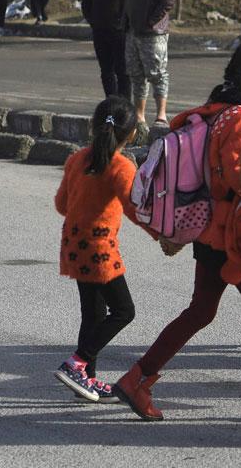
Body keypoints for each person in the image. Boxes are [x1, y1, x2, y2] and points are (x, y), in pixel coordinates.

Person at [114, 39, 241, 422]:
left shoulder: (214, 109)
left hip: (210, 233)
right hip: (233, 235)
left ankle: (138, 378)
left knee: (202, 310)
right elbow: (240, 177)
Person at [53, 95, 144, 403]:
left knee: (92, 314)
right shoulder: (121, 166)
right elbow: (135, 209)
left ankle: (85, 381)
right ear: (131, 134)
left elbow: (61, 205)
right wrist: (163, 235)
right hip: (100, 250)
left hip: (74, 245)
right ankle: (78, 362)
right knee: (123, 310)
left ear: (94, 125)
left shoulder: (77, 159)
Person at [123, 0, 176, 126]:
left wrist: (152, 21)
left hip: (153, 33)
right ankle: (139, 115)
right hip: (133, 31)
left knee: (157, 73)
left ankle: (161, 113)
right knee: (136, 75)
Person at [82, 0, 131, 99]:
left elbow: (130, 2)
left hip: (120, 32)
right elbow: (87, 2)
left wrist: (124, 24)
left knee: (122, 71)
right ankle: (110, 106)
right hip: (100, 31)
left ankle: (124, 109)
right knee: (106, 71)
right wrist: (93, 20)